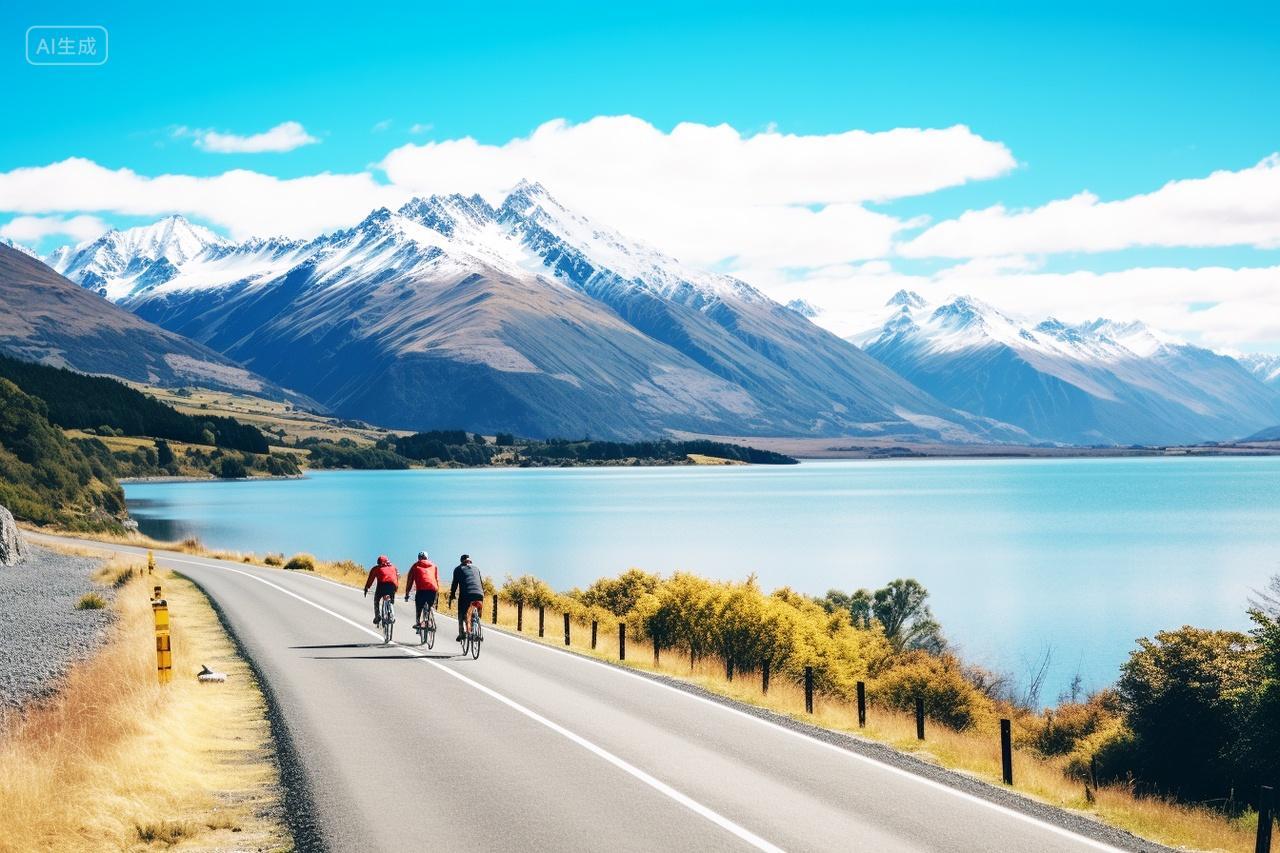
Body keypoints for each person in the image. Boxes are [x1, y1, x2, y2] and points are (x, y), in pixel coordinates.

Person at [448, 554, 484, 642]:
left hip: (467, 594)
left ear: (461, 561)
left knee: (461, 612)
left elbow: (454, 584)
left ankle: (462, 633)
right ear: (470, 561)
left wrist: (452, 595)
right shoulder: (476, 568)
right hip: (479, 594)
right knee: (476, 612)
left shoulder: (458, 569)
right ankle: (476, 627)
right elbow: (481, 583)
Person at [404, 550, 439, 629]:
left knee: (419, 605)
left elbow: (410, 581)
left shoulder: (415, 566)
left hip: (421, 590)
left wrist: (407, 593)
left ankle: (418, 622)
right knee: (430, 606)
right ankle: (429, 621)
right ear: (427, 558)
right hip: (433, 589)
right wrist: (437, 592)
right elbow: (436, 580)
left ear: (418, 558)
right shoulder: (434, 566)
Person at [363, 555, 399, 625]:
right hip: (392, 586)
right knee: (391, 601)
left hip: (382, 586)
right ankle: (391, 613)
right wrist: (396, 589)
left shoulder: (376, 568)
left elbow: (370, 579)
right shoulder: (393, 567)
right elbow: (397, 577)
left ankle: (377, 616)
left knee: (376, 600)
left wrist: (366, 588)